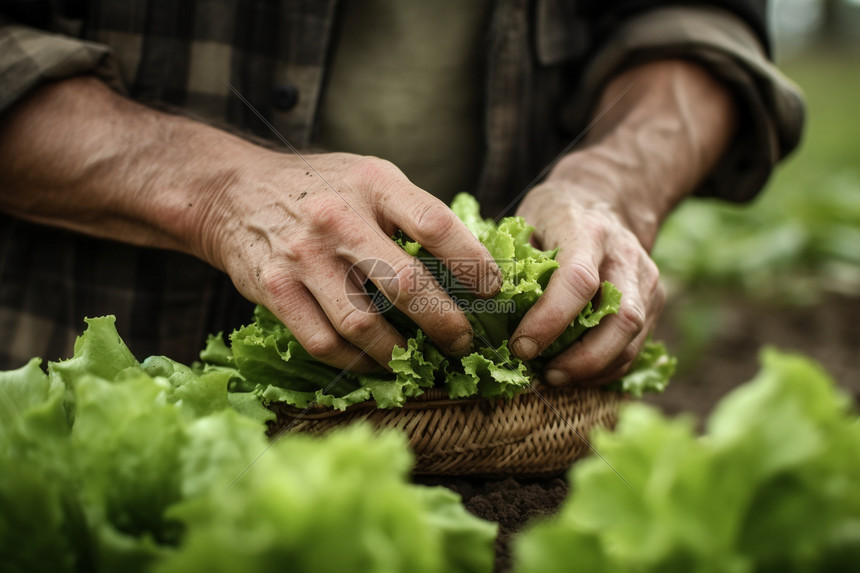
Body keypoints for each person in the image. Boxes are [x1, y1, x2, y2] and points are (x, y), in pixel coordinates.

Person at [0, 1, 803, 386]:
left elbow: (696, 28)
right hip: (103, 385)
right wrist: (213, 191)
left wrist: (610, 181)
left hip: (499, 443)